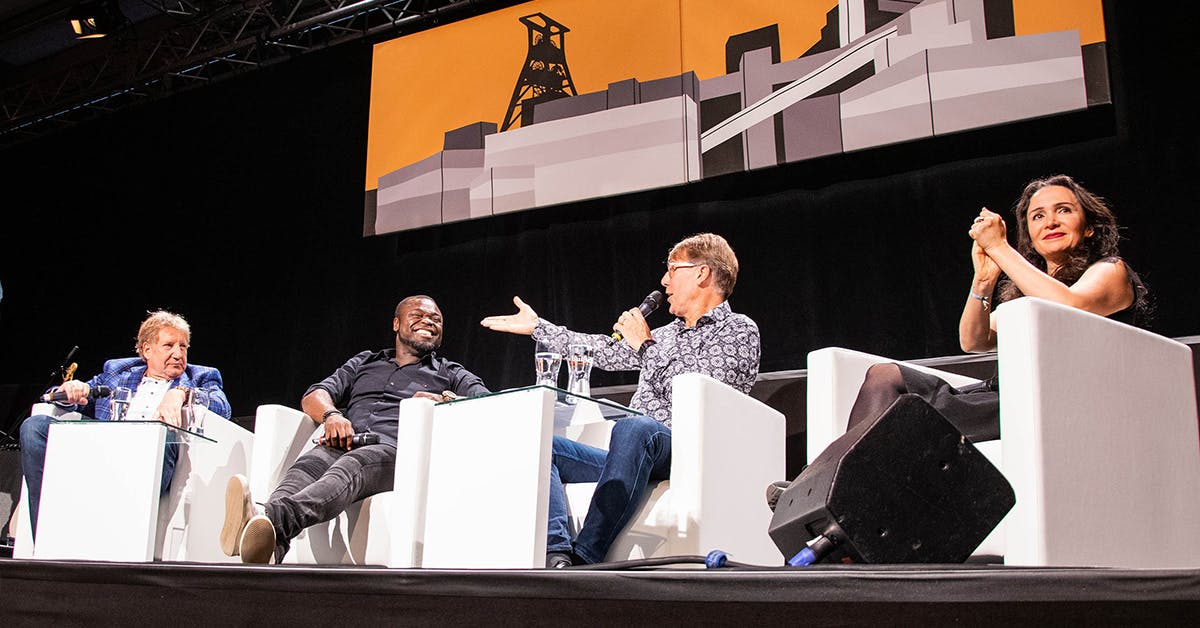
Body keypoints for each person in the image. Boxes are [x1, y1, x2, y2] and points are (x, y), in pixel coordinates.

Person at [480, 233, 760, 568]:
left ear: (702, 273)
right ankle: (557, 555)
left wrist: (645, 345)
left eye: (672, 270)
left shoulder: (739, 330)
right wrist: (539, 328)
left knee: (635, 428)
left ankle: (586, 555)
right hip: (637, 452)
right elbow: (603, 350)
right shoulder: (666, 333)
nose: (664, 280)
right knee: (544, 448)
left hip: (692, 450)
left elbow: (698, 397)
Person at [843, 174, 1149, 442]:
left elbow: (1069, 307)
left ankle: (836, 488)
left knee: (899, 418)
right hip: (1001, 396)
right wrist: (984, 279)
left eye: (1064, 211)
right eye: (1038, 216)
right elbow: (974, 341)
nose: (1051, 222)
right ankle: (836, 484)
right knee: (886, 376)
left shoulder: (1110, 271)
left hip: (1054, 400)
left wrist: (1000, 248)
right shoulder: (1028, 290)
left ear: (1089, 228)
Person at [221, 295, 490, 564]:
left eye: (436, 319)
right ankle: (271, 545)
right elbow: (314, 395)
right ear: (396, 324)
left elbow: (488, 404)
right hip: (344, 440)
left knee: (352, 464)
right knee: (304, 469)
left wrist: (443, 401)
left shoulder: (450, 372)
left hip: (395, 453)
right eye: (418, 315)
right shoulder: (365, 362)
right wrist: (332, 415)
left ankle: (266, 517)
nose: (428, 322)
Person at [18, 309, 231, 540]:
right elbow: (69, 397)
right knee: (34, 427)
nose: (178, 353)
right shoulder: (118, 372)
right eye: (169, 346)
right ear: (147, 349)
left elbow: (222, 407)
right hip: (101, 448)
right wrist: (67, 391)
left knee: (165, 436)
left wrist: (181, 393)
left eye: (183, 346)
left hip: (148, 457)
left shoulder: (200, 376)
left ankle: (122, 536)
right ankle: (47, 534)